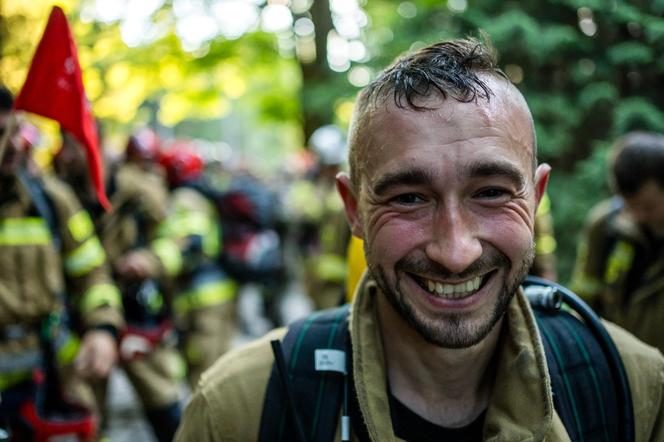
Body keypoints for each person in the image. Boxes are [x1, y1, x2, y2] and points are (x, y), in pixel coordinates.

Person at [175, 38, 664, 441]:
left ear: (535, 200)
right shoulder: (241, 410)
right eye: (409, 198)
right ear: (354, 209)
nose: (455, 252)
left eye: (491, 193)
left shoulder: (635, 389)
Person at [0, 85, 123, 438]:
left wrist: (102, 328)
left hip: (54, 379)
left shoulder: (53, 200)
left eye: (14, 130)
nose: (12, 145)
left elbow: (93, 272)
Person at [54, 128, 182, 442]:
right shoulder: (58, 193)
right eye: (64, 146)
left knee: (164, 406)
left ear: (96, 144)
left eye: (75, 147)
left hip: (139, 315)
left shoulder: (139, 188)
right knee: (87, 414)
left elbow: (176, 238)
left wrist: (149, 261)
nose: (66, 155)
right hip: (85, 321)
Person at [571, 131, 664, 355]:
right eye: (628, 205)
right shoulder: (604, 227)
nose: (638, 216)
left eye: (648, 207)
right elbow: (583, 300)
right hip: (615, 366)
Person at [157, 141, 238, 388]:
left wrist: (154, 263)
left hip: (200, 298)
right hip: (220, 291)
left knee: (205, 375)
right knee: (219, 367)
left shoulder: (184, 199)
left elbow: (191, 244)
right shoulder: (204, 193)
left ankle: (212, 425)